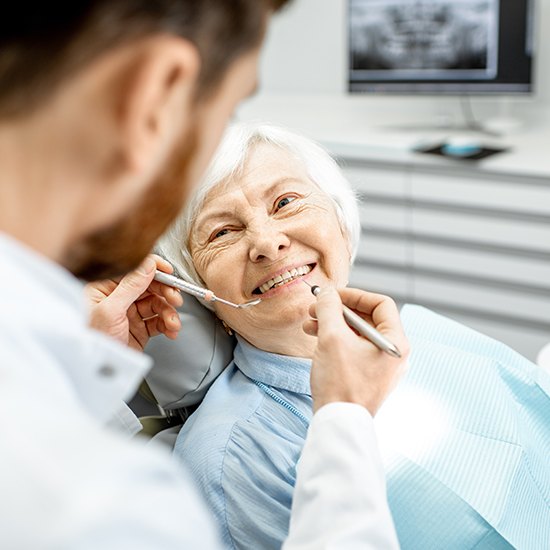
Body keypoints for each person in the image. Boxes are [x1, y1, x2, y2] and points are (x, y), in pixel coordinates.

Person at [0, 3, 409, 548]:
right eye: (231, 105)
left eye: (287, 200)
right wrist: (344, 419)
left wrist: (81, 371)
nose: (267, 242)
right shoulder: (148, 492)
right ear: (158, 92)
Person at [158, 122, 550, 550]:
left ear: (341, 223)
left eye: (286, 202)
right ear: (202, 291)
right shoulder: (230, 459)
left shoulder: (429, 334)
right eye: (223, 232)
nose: (267, 243)